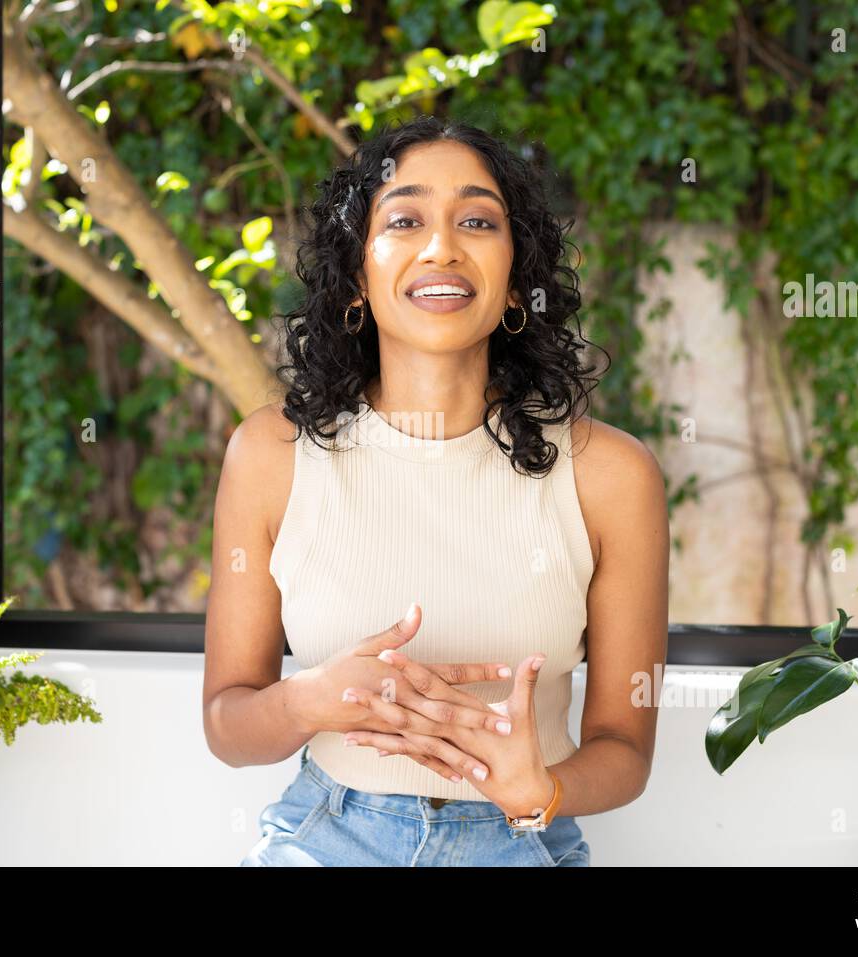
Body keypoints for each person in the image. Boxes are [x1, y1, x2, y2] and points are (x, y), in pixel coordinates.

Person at [203, 115, 670, 866]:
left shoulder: (612, 475)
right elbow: (227, 722)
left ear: (518, 282)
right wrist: (311, 698)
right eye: (405, 218)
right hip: (326, 836)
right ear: (358, 277)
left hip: (522, 841)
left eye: (477, 220)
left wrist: (538, 788)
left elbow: (626, 749)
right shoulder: (270, 455)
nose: (441, 246)